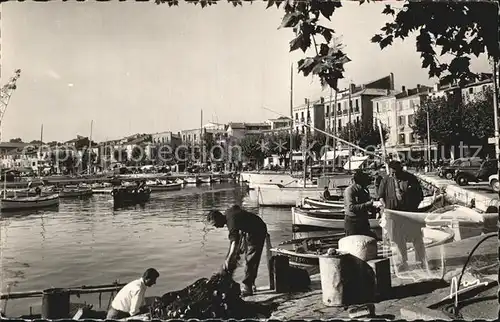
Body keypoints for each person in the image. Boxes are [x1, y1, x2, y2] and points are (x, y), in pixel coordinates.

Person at [206, 205, 268, 296]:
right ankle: (251, 282)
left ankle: (248, 287)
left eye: (215, 224)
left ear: (219, 218)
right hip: (247, 230)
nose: (216, 227)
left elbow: (234, 243)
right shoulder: (228, 213)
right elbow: (236, 207)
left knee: (251, 259)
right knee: (235, 255)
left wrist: (229, 259)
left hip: (258, 230)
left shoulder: (232, 223)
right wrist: (229, 258)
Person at [378, 160, 425, 271]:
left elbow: (419, 196)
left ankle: (421, 260)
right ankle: (403, 262)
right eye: (391, 172)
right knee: (398, 238)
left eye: (395, 172)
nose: (393, 175)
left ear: (400, 170)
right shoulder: (386, 180)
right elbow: (380, 196)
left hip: (409, 214)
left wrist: (412, 208)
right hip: (393, 215)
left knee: (416, 237)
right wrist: (386, 208)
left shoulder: (410, 178)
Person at [344, 170, 380, 239]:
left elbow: (367, 202)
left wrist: (374, 206)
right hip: (352, 221)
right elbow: (351, 207)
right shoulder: (350, 190)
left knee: (368, 238)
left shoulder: (364, 190)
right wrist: (367, 204)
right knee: (352, 240)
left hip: (363, 219)